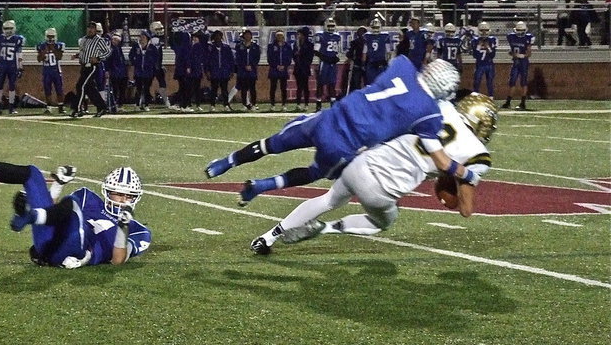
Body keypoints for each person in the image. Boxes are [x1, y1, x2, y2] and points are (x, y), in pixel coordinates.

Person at [205, 57, 473, 210]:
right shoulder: (429, 113)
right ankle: (260, 186)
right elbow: (442, 162)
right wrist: (468, 174)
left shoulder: (403, 65)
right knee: (315, 172)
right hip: (345, 143)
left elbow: (397, 75)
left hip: (329, 117)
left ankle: (225, 162)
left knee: (272, 144)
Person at [255, 93, 497, 254]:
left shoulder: (440, 107)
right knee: (384, 221)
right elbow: (465, 209)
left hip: (363, 161)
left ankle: (269, 236)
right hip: (382, 189)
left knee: (328, 199)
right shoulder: (476, 153)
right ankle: (327, 228)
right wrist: (462, 177)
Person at [0, 122, 151, 268]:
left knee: (72, 204)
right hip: (48, 240)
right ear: (108, 191)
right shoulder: (88, 197)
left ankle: (29, 216)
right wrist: (58, 184)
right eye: (119, 194)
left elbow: (118, 260)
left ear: (136, 198)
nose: (123, 200)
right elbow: (53, 210)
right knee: (33, 174)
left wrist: (123, 227)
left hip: (73, 253)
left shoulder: (139, 230)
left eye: (129, 196)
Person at [71, 22, 110, 117]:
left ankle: (78, 109)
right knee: (90, 89)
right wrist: (77, 56)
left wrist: (98, 58)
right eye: (89, 28)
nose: (90, 30)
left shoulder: (99, 40)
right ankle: (102, 107)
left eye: (92, 28)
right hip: (84, 66)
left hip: (92, 66)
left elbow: (108, 52)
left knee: (80, 86)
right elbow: (84, 52)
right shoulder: (84, 39)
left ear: (95, 30)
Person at [0, 20, 25, 115]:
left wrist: (20, 67)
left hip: (11, 65)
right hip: (3, 65)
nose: (8, 30)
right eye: (6, 28)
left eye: (10, 28)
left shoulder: (17, 39)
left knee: (12, 86)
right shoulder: (0, 38)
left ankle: (11, 106)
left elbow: (19, 54)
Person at [502, 21, 534, 110]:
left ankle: (523, 103)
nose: (520, 32)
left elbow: (529, 53)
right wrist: (512, 54)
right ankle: (508, 102)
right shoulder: (511, 36)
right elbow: (511, 51)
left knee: (523, 82)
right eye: (518, 30)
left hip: (523, 62)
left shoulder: (528, 37)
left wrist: (520, 55)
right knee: (512, 81)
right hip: (515, 62)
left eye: (521, 30)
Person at [313, 18, 341, 112]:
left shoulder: (337, 36)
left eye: (332, 26)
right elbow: (316, 51)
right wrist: (326, 58)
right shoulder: (320, 35)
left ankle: (333, 104)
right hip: (324, 63)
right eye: (329, 26)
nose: (331, 28)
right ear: (325, 26)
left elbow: (337, 50)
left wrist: (336, 57)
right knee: (321, 83)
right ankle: (318, 104)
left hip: (332, 64)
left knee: (332, 84)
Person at [37, 27, 65, 114]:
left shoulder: (59, 45)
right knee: (47, 89)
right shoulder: (42, 46)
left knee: (59, 89)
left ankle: (61, 107)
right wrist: (44, 52)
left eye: (52, 36)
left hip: (56, 71)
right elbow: (39, 59)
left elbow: (59, 57)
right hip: (46, 71)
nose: (50, 38)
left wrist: (53, 49)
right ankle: (49, 107)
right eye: (49, 36)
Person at [205, 30, 234, 112]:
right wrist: (207, 71)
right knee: (214, 90)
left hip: (224, 72)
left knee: (224, 90)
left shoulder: (226, 47)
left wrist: (231, 70)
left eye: (219, 36)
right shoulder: (210, 48)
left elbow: (231, 60)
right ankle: (212, 105)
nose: (218, 38)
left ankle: (226, 105)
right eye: (216, 36)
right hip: (214, 72)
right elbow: (207, 60)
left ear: (221, 37)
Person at [130, 29, 155, 112]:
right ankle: (137, 104)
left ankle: (146, 104)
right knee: (139, 88)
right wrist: (134, 62)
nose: (142, 38)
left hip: (148, 72)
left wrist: (152, 65)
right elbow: (131, 55)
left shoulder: (152, 47)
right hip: (139, 71)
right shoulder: (136, 46)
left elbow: (156, 57)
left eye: (144, 37)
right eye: (141, 37)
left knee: (147, 89)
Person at [235, 28, 260, 110]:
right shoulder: (239, 46)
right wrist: (244, 66)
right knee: (243, 88)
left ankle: (253, 104)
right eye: (246, 35)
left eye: (249, 35)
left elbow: (257, 58)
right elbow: (238, 58)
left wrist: (251, 66)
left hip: (252, 71)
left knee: (252, 88)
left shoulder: (255, 46)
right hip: (242, 71)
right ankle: (244, 104)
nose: (247, 36)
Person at [267, 30, 292, 111]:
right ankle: (272, 105)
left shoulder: (287, 46)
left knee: (283, 88)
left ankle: (284, 105)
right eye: (278, 36)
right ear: (275, 37)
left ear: (283, 37)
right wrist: (276, 66)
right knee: (273, 87)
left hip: (284, 70)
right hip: (274, 69)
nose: (279, 37)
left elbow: (289, 58)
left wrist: (284, 65)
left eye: (281, 36)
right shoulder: (271, 46)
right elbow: (269, 58)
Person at [149, 21, 172, 110]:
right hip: (151, 66)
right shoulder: (151, 39)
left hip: (157, 65)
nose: (160, 30)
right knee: (146, 84)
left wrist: (160, 64)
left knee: (162, 83)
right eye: (158, 29)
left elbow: (159, 54)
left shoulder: (157, 39)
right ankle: (140, 102)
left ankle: (166, 101)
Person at [471, 22, 497, 99]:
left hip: (489, 64)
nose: (484, 32)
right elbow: (475, 55)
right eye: (482, 30)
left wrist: (488, 47)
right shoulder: (475, 40)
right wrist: (479, 46)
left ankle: (491, 98)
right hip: (480, 64)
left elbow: (492, 55)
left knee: (490, 82)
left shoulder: (492, 40)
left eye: (486, 30)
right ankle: (475, 97)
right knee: (477, 81)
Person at [362, 18, 391, 86]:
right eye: (374, 27)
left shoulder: (367, 36)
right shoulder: (384, 36)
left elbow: (364, 52)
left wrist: (363, 63)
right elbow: (388, 51)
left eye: (376, 27)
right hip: (380, 62)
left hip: (372, 62)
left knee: (372, 83)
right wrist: (388, 61)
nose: (375, 29)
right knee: (380, 83)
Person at [106, 32, 129, 113]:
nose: (115, 41)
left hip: (122, 73)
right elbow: (107, 61)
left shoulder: (119, 48)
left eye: (116, 40)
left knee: (122, 90)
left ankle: (120, 105)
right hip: (114, 73)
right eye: (114, 39)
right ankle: (114, 105)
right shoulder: (110, 49)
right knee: (115, 90)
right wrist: (107, 70)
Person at [292, 26, 314, 110]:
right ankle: (298, 104)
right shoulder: (296, 44)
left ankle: (306, 104)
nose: (298, 36)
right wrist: (296, 55)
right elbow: (293, 55)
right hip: (298, 67)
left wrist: (300, 54)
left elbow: (310, 57)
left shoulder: (309, 45)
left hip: (305, 68)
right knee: (299, 87)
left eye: (300, 34)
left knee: (305, 86)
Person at [343, 26, 366, 96]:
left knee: (356, 83)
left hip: (358, 64)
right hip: (365, 64)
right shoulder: (366, 41)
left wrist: (349, 57)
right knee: (366, 82)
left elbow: (350, 54)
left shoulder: (355, 42)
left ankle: (356, 96)